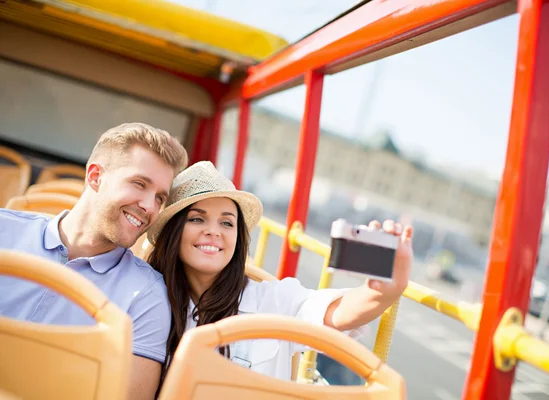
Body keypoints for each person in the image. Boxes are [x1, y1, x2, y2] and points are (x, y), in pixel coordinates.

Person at [146, 161, 413, 384]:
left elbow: (341, 313)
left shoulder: (273, 301)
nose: (214, 231)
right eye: (197, 218)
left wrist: (385, 285)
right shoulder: (145, 296)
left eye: (227, 222)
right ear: (173, 232)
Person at [0, 123, 188, 400]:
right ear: (96, 176)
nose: (150, 207)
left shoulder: (148, 295)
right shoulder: (5, 230)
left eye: (160, 197)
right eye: (139, 184)